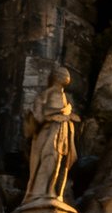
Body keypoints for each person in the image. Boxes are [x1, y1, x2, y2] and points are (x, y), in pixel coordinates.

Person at [24, 67, 79, 204]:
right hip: (48, 132)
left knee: (60, 162)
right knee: (49, 158)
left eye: (65, 74)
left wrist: (68, 115)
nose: (65, 76)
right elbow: (38, 115)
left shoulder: (66, 98)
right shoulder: (45, 94)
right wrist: (60, 112)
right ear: (54, 77)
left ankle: (52, 192)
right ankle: (39, 193)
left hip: (63, 132)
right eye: (61, 73)